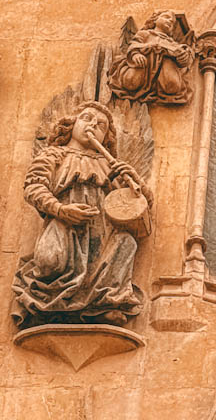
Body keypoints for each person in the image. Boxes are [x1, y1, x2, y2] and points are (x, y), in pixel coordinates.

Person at [12, 100, 152, 328]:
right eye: (87, 118)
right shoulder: (53, 155)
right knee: (49, 261)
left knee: (127, 243)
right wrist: (60, 210)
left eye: (101, 125)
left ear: (106, 137)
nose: (93, 125)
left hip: (102, 232)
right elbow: (34, 187)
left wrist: (135, 181)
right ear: (72, 124)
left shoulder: (109, 164)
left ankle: (105, 302)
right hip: (65, 224)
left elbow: (141, 204)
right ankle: (50, 302)